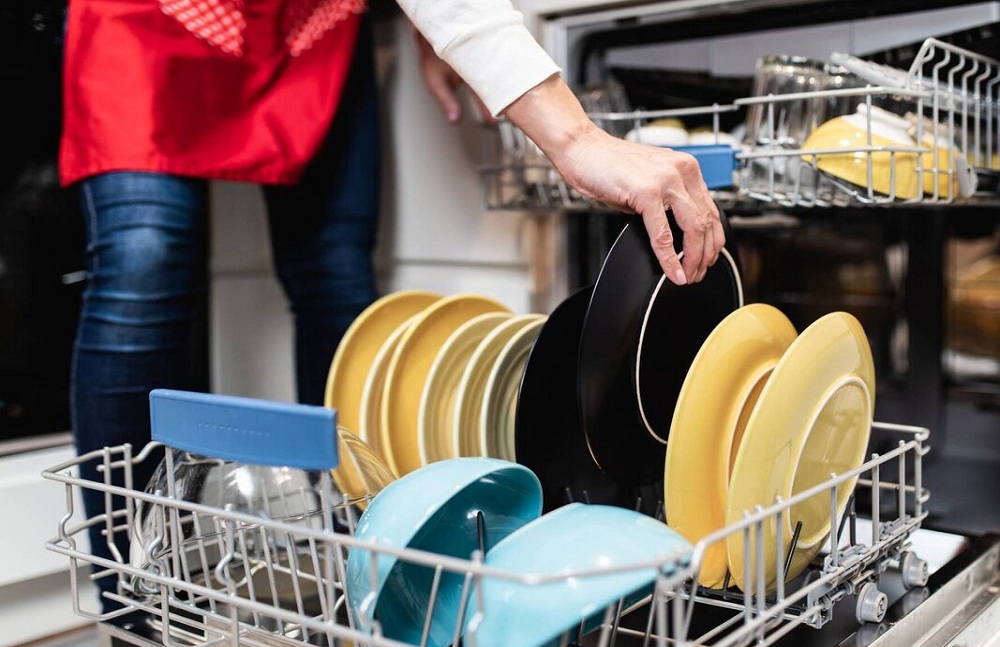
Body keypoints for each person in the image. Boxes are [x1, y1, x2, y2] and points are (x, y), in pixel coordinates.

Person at [61, 0, 724, 613]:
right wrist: (576, 139)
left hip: (309, 27)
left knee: (337, 284)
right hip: (150, 22)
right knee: (143, 265)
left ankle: (355, 581)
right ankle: (137, 603)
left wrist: (429, 24)